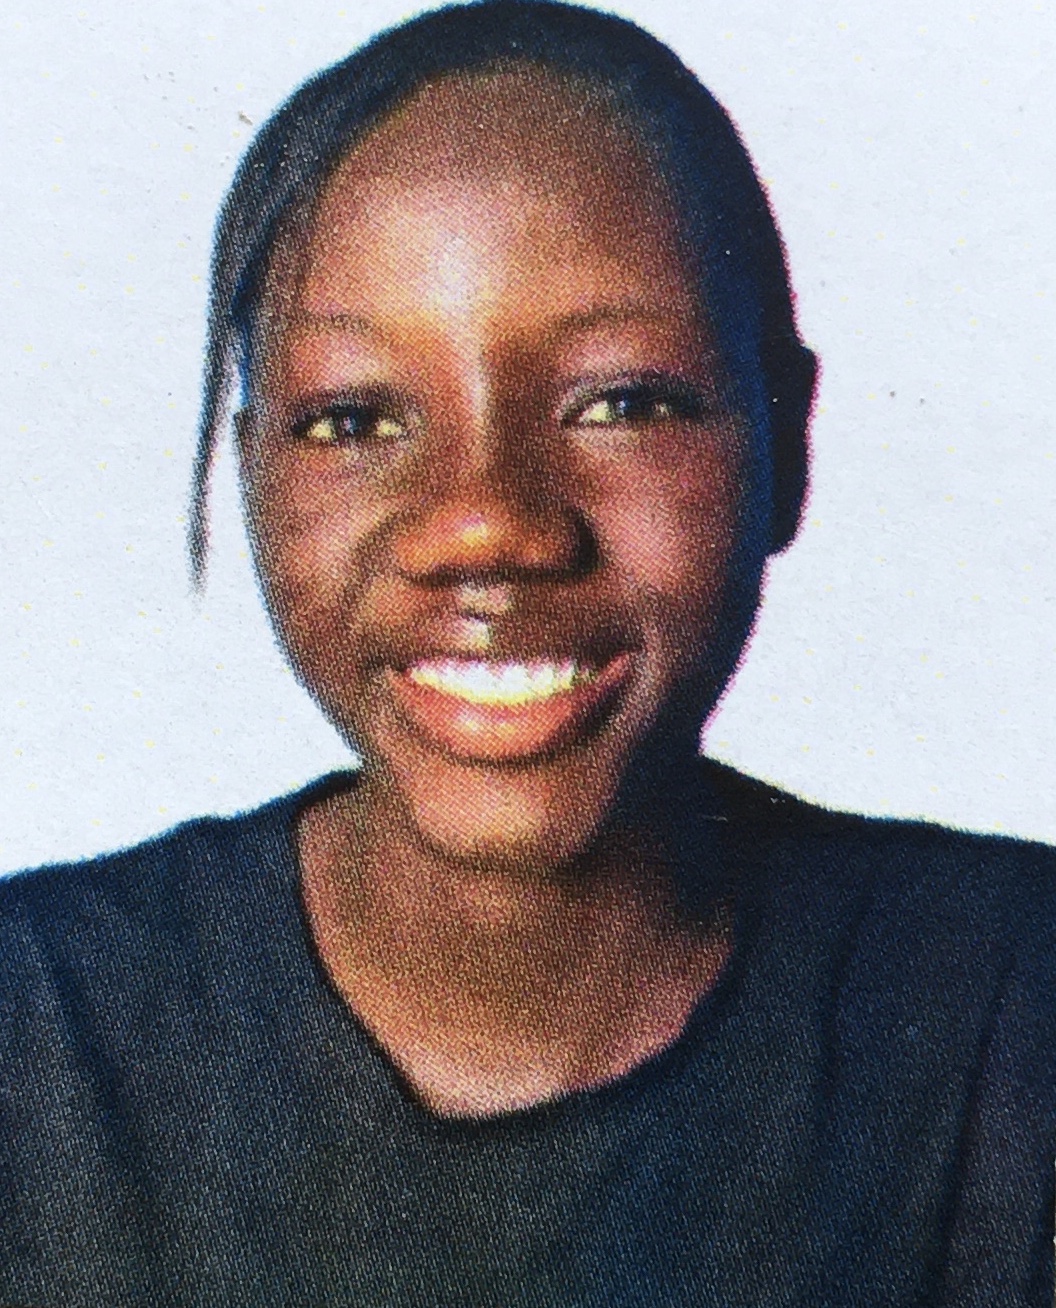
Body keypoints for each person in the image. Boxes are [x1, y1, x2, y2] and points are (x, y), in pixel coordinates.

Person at [1, 2, 1053, 1304]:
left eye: (623, 401)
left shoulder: (1014, 1010)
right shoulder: (35, 1031)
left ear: (786, 441)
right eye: (353, 419)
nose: (485, 523)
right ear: (251, 465)